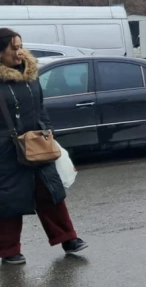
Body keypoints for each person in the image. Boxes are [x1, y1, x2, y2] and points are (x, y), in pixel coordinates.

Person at [0, 29, 87, 265]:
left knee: (50, 191)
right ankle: (9, 250)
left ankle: (68, 238)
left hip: (38, 144)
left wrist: (47, 129)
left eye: (20, 46)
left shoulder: (30, 75)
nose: (19, 52)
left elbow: (41, 108)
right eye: (13, 48)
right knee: (9, 199)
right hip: (6, 151)